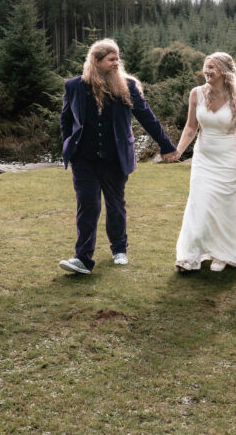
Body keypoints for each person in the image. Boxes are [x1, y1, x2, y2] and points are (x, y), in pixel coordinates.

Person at [59, 39, 177, 275]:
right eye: (111, 59)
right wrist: (69, 147)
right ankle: (82, 259)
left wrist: (166, 145)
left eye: (117, 59)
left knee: (115, 205)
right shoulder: (74, 87)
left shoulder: (128, 87)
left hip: (116, 158)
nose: (116, 63)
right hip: (84, 160)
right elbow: (66, 120)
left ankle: (119, 249)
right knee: (88, 206)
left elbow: (148, 118)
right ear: (96, 61)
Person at [164, 52, 236, 272]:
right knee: (198, 204)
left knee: (223, 206)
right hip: (203, 158)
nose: (207, 71)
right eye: (206, 66)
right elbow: (191, 127)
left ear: (225, 71)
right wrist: (179, 151)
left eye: (212, 67)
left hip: (227, 159)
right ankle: (188, 258)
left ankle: (224, 253)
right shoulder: (196, 94)